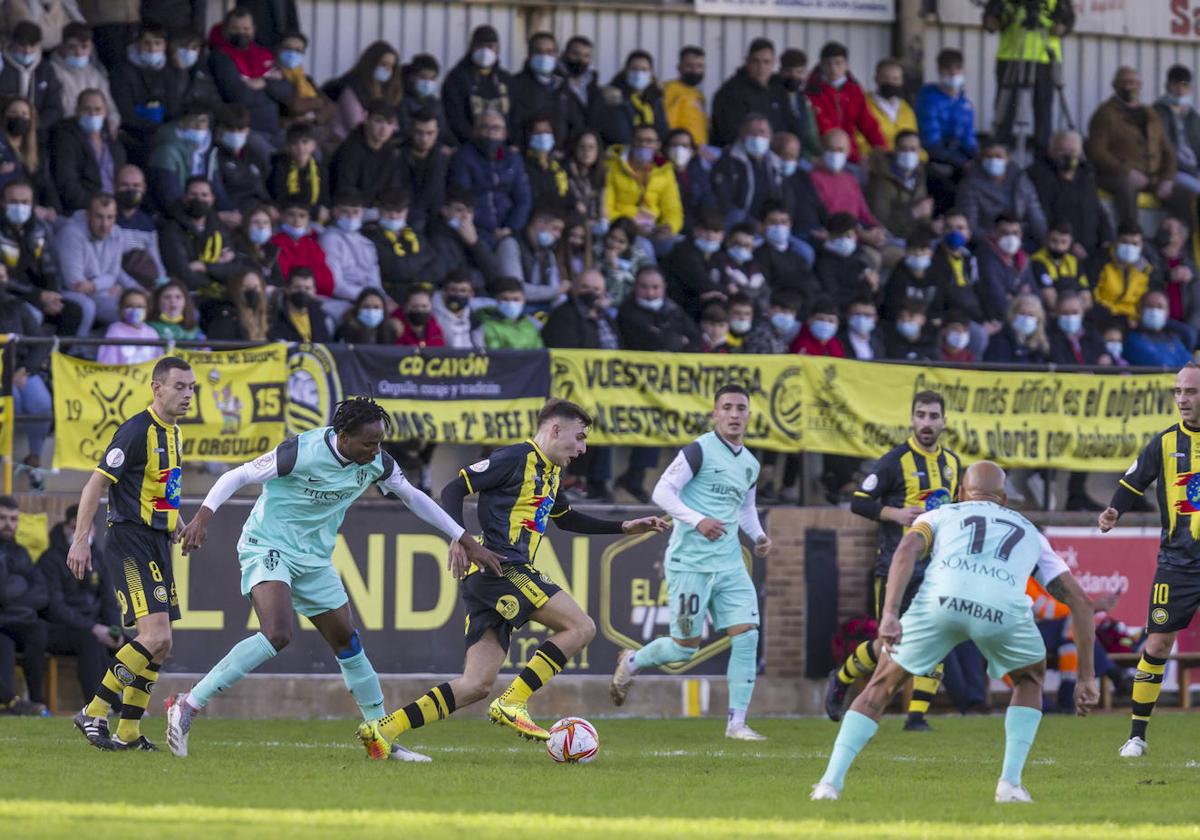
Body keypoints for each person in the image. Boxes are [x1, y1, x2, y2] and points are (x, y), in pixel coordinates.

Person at [167, 396, 500, 760]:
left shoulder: (377, 463)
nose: (376, 451)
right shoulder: (301, 451)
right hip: (267, 545)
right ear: (342, 436)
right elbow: (239, 475)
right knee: (277, 633)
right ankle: (188, 704)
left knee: (347, 642)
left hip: (315, 559)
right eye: (369, 443)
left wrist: (464, 539)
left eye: (380, 443)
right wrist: (202, 516)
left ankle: (379, 736)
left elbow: (414, 497)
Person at [356, 400, 667, 758]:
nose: (582, 449)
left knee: (475, 684)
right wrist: (460, 538)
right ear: (554, 430)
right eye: (579, 438)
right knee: (581, 627)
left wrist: (623, 526)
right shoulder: (516, 457)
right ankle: (514, 701)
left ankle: (382, 730)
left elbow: (564, 518)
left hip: (490, 577)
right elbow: (454, 488)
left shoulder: (550, 472)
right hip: (503, 566)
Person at [814, 461, 1097, 803]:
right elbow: (1081, 602)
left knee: (881, 685)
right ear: (1004, 499)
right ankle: (1009, 785)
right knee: (1030, 679)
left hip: (941, 602)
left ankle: (829, 784)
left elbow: (905, 551)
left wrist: (890, 614)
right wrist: (1085, 678)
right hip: (1000, 610)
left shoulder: (941, 515)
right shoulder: (1030, 531)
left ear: (961, 492)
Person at [611, 384, 770, 740]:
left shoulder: (750, 464)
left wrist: (758, 536)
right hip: (690, 563)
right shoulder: (698, 450)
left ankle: (737, 723)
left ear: (748, 415)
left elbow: (745, 510)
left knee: (747, 636)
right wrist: (697, 519)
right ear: (714, 413)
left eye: (740, 408)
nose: (733, 413)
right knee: (685, 650)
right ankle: (631, 662)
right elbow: (662, 492)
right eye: (726, 407)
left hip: (729, 564)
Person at [67, 356, 195, 751]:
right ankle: (93, 711)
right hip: (129, 540)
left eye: (191, 388)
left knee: (162, 641)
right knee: (153, 635)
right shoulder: (136, 431)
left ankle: (128, 731)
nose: (188, 395)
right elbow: (95, 485)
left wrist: (178, 523)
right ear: (156, 388)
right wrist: (80, 538)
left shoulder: (172, 433)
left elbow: (160, 490)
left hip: (155, 540)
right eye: (179, 387)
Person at [825, 391, 965, 730]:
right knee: (891, 642)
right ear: (912, 419)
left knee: (939, 635)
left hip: (935, 569)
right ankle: (842, 678)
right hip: (895, 566)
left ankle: (917, 717)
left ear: (944, 421)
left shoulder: (953, 464)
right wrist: (896, 513)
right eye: (921, 415)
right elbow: (859, 501)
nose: (927, 423)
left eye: (934, 416)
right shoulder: (894, 461)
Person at [1099, 362, 1200, 756]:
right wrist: (1113, 511)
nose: (1182, 399)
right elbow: (1132, 480)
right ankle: (1136, 736)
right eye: (1178, 391)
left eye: (1190, 391)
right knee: (1157, 645)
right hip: (1177, 564)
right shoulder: (1164, 443)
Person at [37, 504, 122, 702]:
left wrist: (114, 629)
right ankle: (96, 707)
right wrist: (93, 628)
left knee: (131, 645)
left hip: (95, 626)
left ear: (93, 529)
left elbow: (109, 600)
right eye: (75, 528)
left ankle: (131, 705)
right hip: (57, 629)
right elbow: (56, 608)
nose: (80, 534)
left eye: (85, 528)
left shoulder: (98, 559)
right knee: (90, 641)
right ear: (66, 528)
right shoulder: (50, 560)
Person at [55, 192, 164, 328]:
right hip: (70, 295)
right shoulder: (70, 234)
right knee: (129, 311)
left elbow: (115, 273)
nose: (105, 224)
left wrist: (138, 290)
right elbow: (76, 285)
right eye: (99, 217)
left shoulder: (116, 233)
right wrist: (102, 284)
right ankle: (78, 349)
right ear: (88, 215)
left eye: (110, 217)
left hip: (101, 292)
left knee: (147, 303)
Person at [1086, 67, 1176, 229]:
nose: (1130, 87)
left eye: (1134, 83)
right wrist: (1127, 171)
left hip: (1155, 177)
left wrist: (1168, 178)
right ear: (1114, 86)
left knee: (1188, 197)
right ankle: (1131, 235)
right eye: (1125, 83)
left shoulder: (1150, 113)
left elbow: (1167, 151)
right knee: (1126, 189)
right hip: (1118, 176)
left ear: (1140, 85)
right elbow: (1096, 151)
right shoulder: (1105, 114)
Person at [984, 0, 1075, 154]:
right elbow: (990, 19)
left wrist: (1062, 28)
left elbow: (1068, 20)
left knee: (1043, 112)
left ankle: (1042, 157)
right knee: (1005, 110)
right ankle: (998, 155)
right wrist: (995, 20)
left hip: (1044, 58)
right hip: (1011, 55)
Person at [1026, 130, 1112, 267]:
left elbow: (1098, 209)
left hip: (1092, 249)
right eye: (1061, 151)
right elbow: (1042, 216)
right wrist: (1069, 244)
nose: (1068, 156)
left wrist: (1107, 238)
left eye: (1073, 151)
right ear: (1051, 151)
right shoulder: (1039, 176)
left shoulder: (1087, 175)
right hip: (1059, 251)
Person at [448, 108, 531, 247]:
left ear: (504, 134)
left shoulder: (513, 159)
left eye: (496, 128)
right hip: (475, 230)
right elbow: (462, 197)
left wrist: (510, 228)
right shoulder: (464, 157)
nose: (490, 133)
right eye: (484, 127)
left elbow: (523, 198)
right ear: (475, 131)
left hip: (508, 230)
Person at [205, 7, 291, 138]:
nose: (241, 33)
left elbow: (286, 91)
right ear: (225, 30)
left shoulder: (264, 54)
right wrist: (271, 87)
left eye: (246, 29)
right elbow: (240, 95)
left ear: (253, 30)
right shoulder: (220, 57)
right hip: (242, 130)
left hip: (273, 127)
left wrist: (263, 82)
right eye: (235, 28)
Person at [0, 496, 48, 708]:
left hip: (18, 618)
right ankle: (8, 700)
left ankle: (37, 701)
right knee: (5, 640)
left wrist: (15, 601)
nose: (8, 524)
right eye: (2, 518)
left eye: (13, 519)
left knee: (38, 631)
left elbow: (42, 592)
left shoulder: (22, 553)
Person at [805, 41, 885, 167]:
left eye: (838, 63)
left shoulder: (853, 90)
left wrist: (882, 151)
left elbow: (867, 123)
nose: (833, 68)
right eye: (828, 64)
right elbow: (823, 129)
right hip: (824, 155)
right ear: (821, 65)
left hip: (850, 154)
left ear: (846, 65)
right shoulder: (812, 92)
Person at [917, 49, 977, 212]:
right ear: (939, 70)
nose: (952, 72)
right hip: (932, 159)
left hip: (956, 159)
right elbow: (931, 141)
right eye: (947, 68)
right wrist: (962, 162)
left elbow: (969, 139)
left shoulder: (965, 104)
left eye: (957, 67)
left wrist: (978, 159)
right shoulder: (928, 99)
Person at [604, 123, 682, 247]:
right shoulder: (612, 166)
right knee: (645, 246)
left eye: (649, 141)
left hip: (653, 229)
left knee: (681, 244)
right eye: (639, 140)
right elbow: (606, 208)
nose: (644, 145)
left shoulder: (665, 169)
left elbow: (673, 208)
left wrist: (669, 227)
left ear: (658, 145)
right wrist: (631, 227)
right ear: (631, 142)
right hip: (622, 230)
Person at [157, 176, 236, 297]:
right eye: (193, 194)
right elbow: (182, 273)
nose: (199, 199)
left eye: (204, 195)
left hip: (219, 293)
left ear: (212, 199)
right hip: (188, 296)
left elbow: (232, 270)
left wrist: (204, 267)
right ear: (184, 198)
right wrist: (217, 268)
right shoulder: (171, 228)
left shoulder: (218, 227)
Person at [811, 130, 887, 252]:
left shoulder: (850, 178)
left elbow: (864, 212)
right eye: (831, 149)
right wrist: (861, 233)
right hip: (839, 239)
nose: (835, 154)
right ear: (822, 150)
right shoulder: (814, 178)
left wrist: (878, 228)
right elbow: (829, 216)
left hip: (861, 234)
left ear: (848, 152)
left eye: (840, 150)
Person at [109, 24, 174, 165]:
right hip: (132, 135)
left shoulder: (170, 71)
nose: (152, 49)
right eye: (147, 43)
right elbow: (124, 110)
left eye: (157, 43)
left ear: (164, 46)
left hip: (161, 133)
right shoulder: (122, 71)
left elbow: (173, 106)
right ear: (137, 44)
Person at [957, 141, 1047, 243]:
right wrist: (996, 238)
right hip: (987, 241)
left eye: (998, 156)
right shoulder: (970, 184)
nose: (993, 160)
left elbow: (1035, 212)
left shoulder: (1020, 179)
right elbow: (970, 225)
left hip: (1021, 237)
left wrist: (1044, 239)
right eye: (988, 156)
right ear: (981, 159)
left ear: (1008, 158)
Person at [441, 25, 512, 146]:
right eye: (480, 46)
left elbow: (513, 115)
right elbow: (454, 117)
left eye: (490, 47)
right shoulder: (456, 79)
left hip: (501, 147)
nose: (485, 52)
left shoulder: (505, 79)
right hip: (467, 147)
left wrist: (508, 141)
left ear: (498, 49)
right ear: (471, 48)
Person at [711, 38, 786, 148]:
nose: (761, 67)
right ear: (747, 62)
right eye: (756, 61)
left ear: (773, 64)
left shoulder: (778, 91)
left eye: (766, 62)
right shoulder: (730, 92)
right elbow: (729, 133)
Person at [318, 190, 381, 320]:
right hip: (338, 300)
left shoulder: (367, 243)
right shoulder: (329, 239)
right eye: (345, 212)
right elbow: (335, 284)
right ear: (335, 212)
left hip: (367, 299)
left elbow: (375, 281)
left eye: (355, 212)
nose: (351, 217)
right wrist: (368, 297)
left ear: (362, 213)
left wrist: (380, 298)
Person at [328, 99, 404, 207]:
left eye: (389, 123)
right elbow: (345, 189)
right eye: (378, 121)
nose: (384, 128)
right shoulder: (350, 150)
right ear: (366, 119)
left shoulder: (391, 152)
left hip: (379, 209)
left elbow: (393, 188)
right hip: (349, 209)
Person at [711, 112, 782, 228]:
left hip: (768, 224)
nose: (758, 137)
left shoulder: (775, 163)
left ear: (770, 136)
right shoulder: (728, 161)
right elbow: (725, 202)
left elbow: (780, 198)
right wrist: (754, 225)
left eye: (762, 132)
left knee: (802, 247)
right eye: (752, 133)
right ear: (742, 135)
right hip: (739, 224)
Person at [50, 23, 120, 138]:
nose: (78, 52)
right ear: (62, 47)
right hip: (68, 132)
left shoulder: (96, 74)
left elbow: (111, 108)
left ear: (91, 47)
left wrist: (112, 122)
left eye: (84, 47)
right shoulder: (52, 72)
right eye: (72, 47)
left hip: (98, 132)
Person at [366, 189, 436, 301]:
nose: (393, 216)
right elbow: (398, 270)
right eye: (388, 210)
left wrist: (411, 264)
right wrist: (420, 260)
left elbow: (433, 262)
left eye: (399, 211)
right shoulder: (370, 234)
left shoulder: (413, 233)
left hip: (419, 294)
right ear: (379, 210)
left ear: (406, 212)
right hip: (389, 295)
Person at [0, 22, 65, 142]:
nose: (27, 50)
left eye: (32, 45)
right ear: (12, 42)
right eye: (22, 45)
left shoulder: (46, 69)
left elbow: (55, 108)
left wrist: (33, 125)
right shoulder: (2, 66)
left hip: (37, 135)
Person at [866, 129, 932, 243]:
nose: (908, 154)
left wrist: (932, 227)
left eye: (913, 149)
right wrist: (913, 213)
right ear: (895, 150)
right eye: (903, 149)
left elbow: (923, 215)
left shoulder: (919, 174)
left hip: (915, 237)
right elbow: (880, 221)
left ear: (920, 152)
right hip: (890, 238)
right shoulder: (881, 179)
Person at [329, 41, 403, 144]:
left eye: (391, 66)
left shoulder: (388, 92)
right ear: (371, 63)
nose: (387, 70)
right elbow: (355, 126)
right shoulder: (353, 89)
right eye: (383, 64)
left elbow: (395, 125)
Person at [507, 32, 571, 150]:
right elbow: (512, 122)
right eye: (539, 51)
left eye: (549, 51)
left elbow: (571, 120)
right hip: (526, 152)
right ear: (530, 54)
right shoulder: (515, 84)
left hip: (559, 154)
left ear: (556, 55)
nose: (544, 56)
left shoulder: (563, 85)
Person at [592, 50, 668, 148]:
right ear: (625, 71)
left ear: (651, 74)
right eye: (634, 69)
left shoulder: (657, 99)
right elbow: (617, 134)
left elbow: (663, 133)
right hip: (618, 155)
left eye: (644, 70)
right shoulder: (612, 97)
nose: (639, 74)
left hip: (652, 154)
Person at [498, 207, 568, 310]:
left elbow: (556, 289)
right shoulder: (511, 244)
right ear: (539, 223)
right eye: (555, 229)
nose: (558, 235)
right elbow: (516, 289)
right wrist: (555, 292)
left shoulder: (548, 254)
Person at [397, 108, 449, 234]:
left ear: (437, 133)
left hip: (436, 217)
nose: (424, 139)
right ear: (411, 131)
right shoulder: (398, 156)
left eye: (429, 133)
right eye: (419, 133)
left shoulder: (442, 157)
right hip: (406, 215)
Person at [978, 215, 1035, 324]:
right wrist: (1021, 295)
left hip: (1025, 317)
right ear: (994, 233)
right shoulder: (985, 258)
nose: (1011, 238)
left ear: (1021, 234)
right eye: (1005, 233)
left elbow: (1035, 294)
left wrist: (1011, 296)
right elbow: (997, 300)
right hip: (999, 321)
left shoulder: (1023, 258)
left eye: (1015, 233)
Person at [270, 201, 333, 300]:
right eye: (291, 214)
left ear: (308, 220)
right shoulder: (274, 244)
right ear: (281, 216)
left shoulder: (313, 245)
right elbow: (281, 278)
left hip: (317, 298)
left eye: (302, 216)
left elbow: (327, 282)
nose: (296, 220)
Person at [1094, 225, 1155, 326]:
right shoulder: (1101, 262)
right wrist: (1119, 318)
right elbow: (1094, 298)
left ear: (1141, 246)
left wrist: (1138, 319)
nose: (1130, 247)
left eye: (1135, 244)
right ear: (1116, 242)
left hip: (1133, 321)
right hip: (1105, 320)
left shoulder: (1145, 269)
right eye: (1125, 242)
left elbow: (1142, 301)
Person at [1155, 65, 1200, 197]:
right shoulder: (1158, 112)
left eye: (1184, 86)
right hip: (1173, 171)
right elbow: (1165, 148)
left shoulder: (1192, 115)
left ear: (1190, 88)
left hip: (1193, 170)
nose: (1180, 91)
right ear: (1167, 86)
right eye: (1176, 85)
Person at [859, 58, 918, 159]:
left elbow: (914, 139)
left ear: (901, 81)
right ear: (876, 78)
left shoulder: (906, 109)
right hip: (875, 160)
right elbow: (859, 141)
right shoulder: (863, 104)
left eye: (895, 79)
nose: (890, 82)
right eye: (885, 78)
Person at [268, 123, 327, 218]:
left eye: (305, 142)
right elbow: (281, 199)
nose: (300, 148)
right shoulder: (278, 166)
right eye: (294, 143)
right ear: (288, 146)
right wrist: (314, 211)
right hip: (286, 217)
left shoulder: (320, 169)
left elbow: (324, 199)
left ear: (313, 145)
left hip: (313, 220)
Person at [771, 49, 820, 159]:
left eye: (799, 72)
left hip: (802, 156)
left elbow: (810, 134)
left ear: (805, 74)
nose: (794, 76)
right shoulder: (772, 98)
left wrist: (822, 154)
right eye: (789, 71)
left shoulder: (802, 100)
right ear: (780, 72)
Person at [1028, 220, 1088, 310]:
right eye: (1054, 241)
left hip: (1076, 312)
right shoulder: (1037, 261)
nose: (1058, 246)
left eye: (1064, 242)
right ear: (1046, 238)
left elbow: (1086, 297)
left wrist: (1075, 313)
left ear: (1070, 242)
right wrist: (1067, 313)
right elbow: (1049, 298)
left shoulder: (1074, 261)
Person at [1124, 290, 1192, 368]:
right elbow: (1158, 362)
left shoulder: (1173, 338)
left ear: (1167, 312)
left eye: (1160, 307)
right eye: (1149, 306)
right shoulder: (1131, 338)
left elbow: (1189, 363)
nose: (1154, 311)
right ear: (1140, 310)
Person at [473, 276, 543, 349]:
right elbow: (495, 356)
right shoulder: (486, 326)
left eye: (516, 299)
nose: (511, 303)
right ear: (497, 300)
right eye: (505, 299)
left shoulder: (530, 326)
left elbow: (540, 354)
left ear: (524, 300)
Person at [268, 265, 332, 343]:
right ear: (287, 289)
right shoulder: (275, 317)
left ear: (314, 291)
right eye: (297, 287)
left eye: (307, 288)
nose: (302, 292)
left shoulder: (319, 316)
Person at [522, 114, 571, 213]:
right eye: (538, 132)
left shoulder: (558, 167)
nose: (543, 136)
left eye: (547, 132)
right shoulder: (523, 165)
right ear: (529, 136)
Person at [97, 287, 159, 365]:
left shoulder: (152, 333)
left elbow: (159, 363)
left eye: (140, 307)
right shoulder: (115, 331)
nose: (135, 310)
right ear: (121, 308)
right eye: (130, 306)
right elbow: (107, 363)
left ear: (147, 309)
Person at [204, 267, 268, 342]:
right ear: (236, 290)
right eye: (246, 287)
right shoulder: (226, 316)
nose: (251, 291)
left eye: (256, 287)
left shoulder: (269, 314)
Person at [983, 294, 1051, 364]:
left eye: (1031, 315)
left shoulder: (1041, 344)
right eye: (1022, 313)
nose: (1026, 318)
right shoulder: (1000, 340)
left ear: (1038, 320)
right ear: (1013, 315)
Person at [663, 46, 708, 149]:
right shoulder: (670, 90)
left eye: (700, 66)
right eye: (689, 66)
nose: (695, 71)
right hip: (681, 150)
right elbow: (667, 124)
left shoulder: (698, 94)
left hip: (700, 150)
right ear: (679, 67)